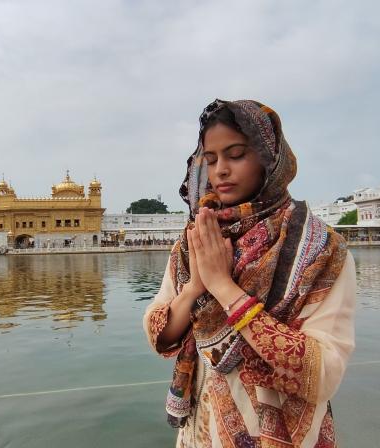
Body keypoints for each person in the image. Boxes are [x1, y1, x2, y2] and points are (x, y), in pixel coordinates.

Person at [143, 99, 356, 447]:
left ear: (269, 159)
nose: (221, 170)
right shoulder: (196, 238)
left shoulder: (320, 249)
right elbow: (158, 333)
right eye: (211, 160)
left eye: (236, 154)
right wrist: (195, 286)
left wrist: (223, 287)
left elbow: (323, 375)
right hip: (199, 432)